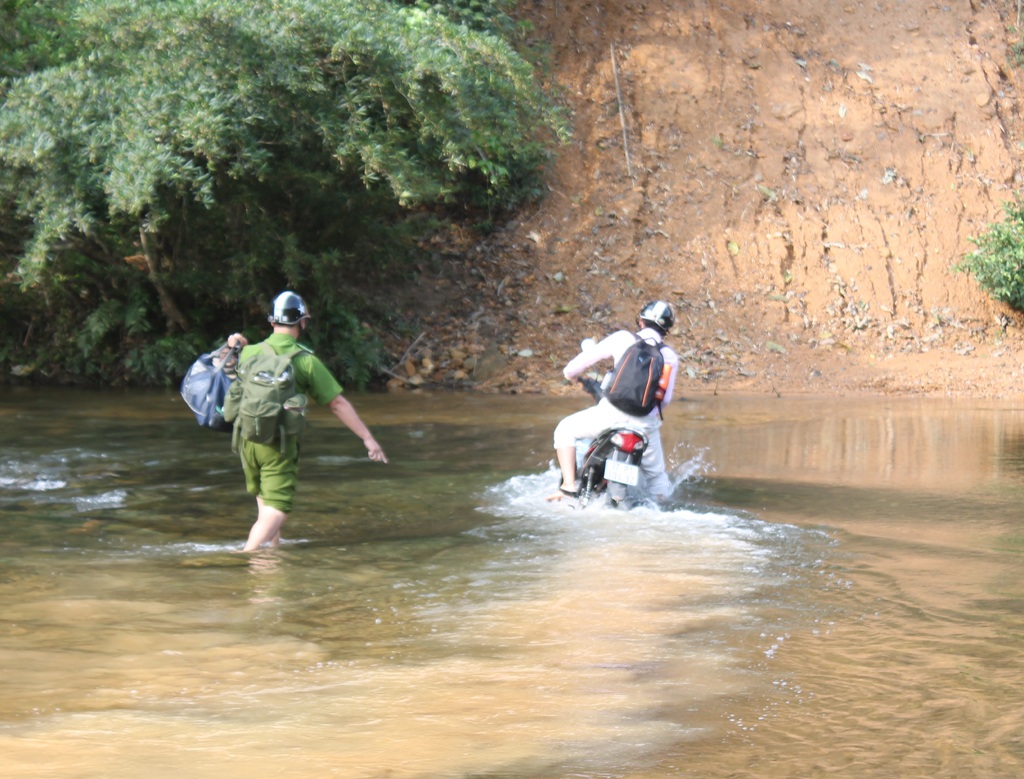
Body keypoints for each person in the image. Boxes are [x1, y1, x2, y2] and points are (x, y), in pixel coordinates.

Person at [226, 291, 388, 551]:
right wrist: (368, 438)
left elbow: (230, 362)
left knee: (265, 507)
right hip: (278, 445)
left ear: (272, 322)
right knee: (279, 508)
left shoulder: (249, 353)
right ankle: (248, 555)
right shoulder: (305, 361)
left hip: (247, 440)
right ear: (302, 323)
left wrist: (238, 341)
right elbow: (337, 404)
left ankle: (270, 564)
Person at [548, 300, 679, 502]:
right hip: (644, 425)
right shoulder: (668, 356)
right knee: (657, 478)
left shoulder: (623, 338)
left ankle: (568, 486)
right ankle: (660, 508)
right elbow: (665, 399)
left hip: (609, 415)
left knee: (564, 430)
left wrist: (571, 376)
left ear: (640, 321)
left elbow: (573, 368)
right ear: (666, 330)